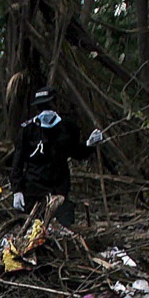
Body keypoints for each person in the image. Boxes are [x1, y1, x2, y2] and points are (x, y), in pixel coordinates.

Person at [10, 86, 103, 227]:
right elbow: (17, 163)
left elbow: (76, 152)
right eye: (41, 107)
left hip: (59, 191)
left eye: (48, 105)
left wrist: (90, 144)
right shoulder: (28, 129)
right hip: (33, 190)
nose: (45, 111)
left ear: (55, 104)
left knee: (64, 227)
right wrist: (17, 191)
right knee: (32, 229)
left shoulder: (67, 127)